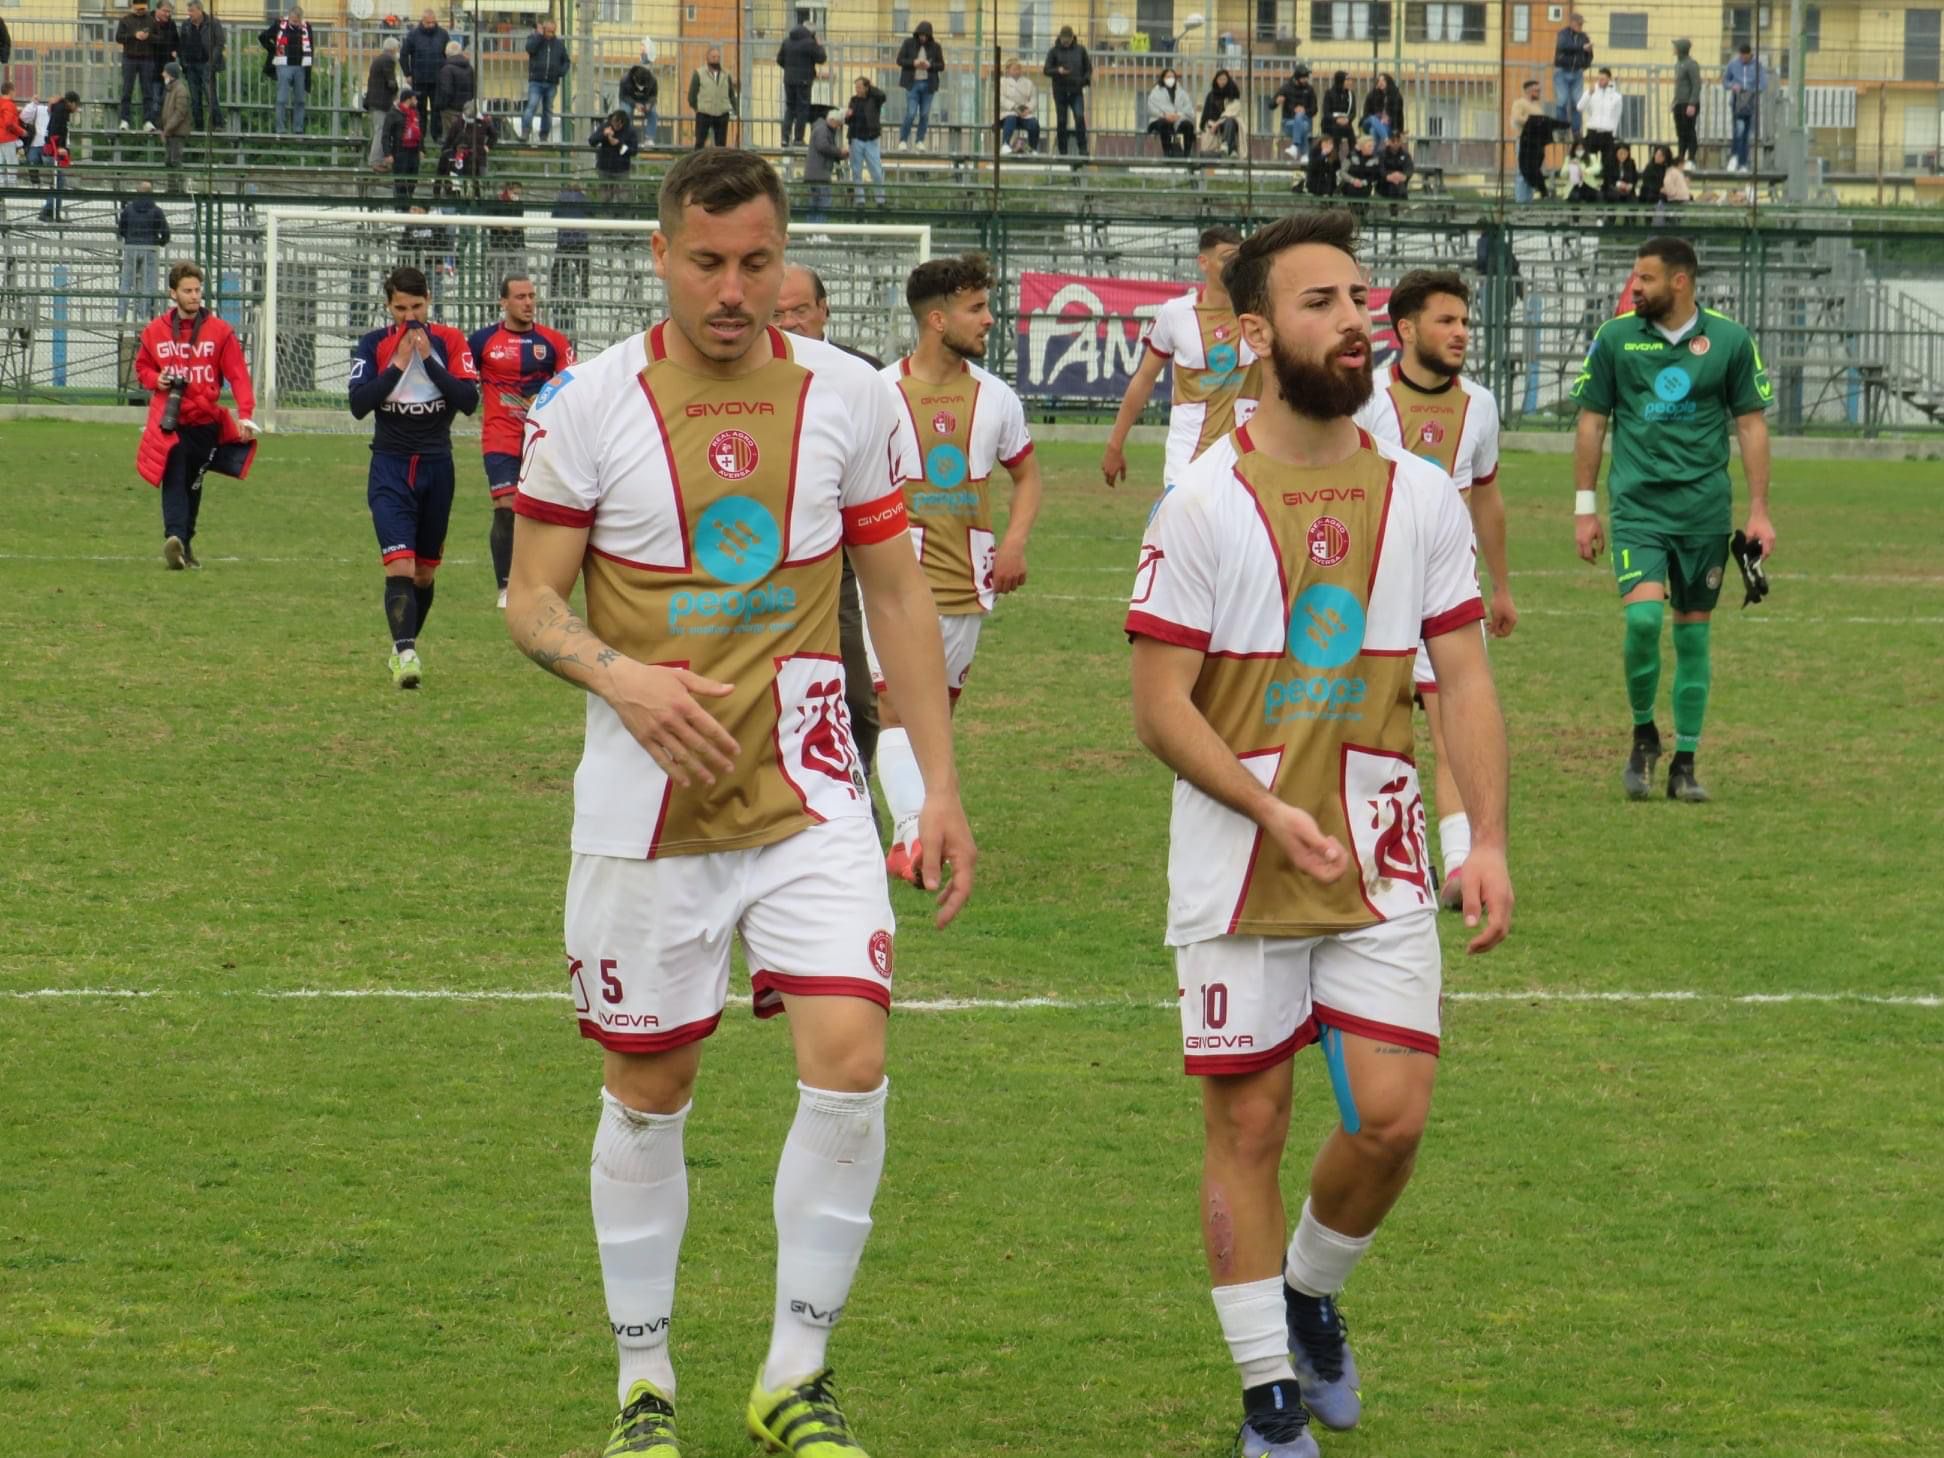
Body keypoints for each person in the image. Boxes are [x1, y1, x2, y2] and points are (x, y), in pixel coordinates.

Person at [505, 145, 974, 1458]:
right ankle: (644, 1386)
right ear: (661, 256)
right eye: (707, 263)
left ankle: (793, 1374)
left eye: (758, 262)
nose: (733, 288)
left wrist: (933, 785)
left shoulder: (848, 396)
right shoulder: (588, 404)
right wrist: (623, 679)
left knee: (853, 1060)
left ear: (785, 255)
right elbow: (530, 599)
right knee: (651, 1087)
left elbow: (896, 596)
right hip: (644, 806)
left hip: (811, 782)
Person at [1125, 208, 1512, 1458]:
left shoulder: (1421, 496)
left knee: (1392, 1119)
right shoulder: (1200, 504)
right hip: (1239, 864)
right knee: (1249, 1125)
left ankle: (1308, 1290)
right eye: (1320, 301)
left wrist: (1485, 841)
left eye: (1361, 297)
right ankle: (1266, 1400)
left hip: (1384, 850)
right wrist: (1266, 809)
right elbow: (1156, 709)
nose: (1356, 319)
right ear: (1253, 334)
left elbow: (1466, 675)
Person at [1570, 236, 1775, 802]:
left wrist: (1758, 511)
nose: (1635, 288)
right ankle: (1643, 736)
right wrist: (1585, 509)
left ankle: (1685, 761)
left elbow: (1752, 426)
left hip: (1704, 512)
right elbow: (1592, 423)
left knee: (1693, 638)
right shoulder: (1614, 339)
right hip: (1637, 508)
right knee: (1641, 625)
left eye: (1646, 279)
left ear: (1679, 282)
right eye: (1635, 278)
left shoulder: (1730, 341)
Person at [872, 252, 1039, 882]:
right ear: (937, 320)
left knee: (934, 719)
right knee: (894, 710)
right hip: (893, 582)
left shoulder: (997, 398)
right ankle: (911, 839)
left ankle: (916, 824)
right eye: (977, 308)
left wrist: (1015, 544)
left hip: (967, 583)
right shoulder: (880, 394)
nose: (990, 319)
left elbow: (1025, 475)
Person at [1352, 269, 1513, 906]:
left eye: (1465, 322)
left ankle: (1456, 865)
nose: (1461, 333)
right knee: (1363, 726)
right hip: (1374, 593)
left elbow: (1489, 498)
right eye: (1446, 321)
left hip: (1448, 591)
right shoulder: (1366, 400)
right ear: (1407, 329)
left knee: (1451, 725)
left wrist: (1500, 586)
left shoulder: (1481, 404)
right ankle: (1359, 852)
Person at [771, 261, 886, 795]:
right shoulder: (744, 375)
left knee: (859, 697)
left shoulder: (865, 377)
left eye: (800, 310)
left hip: (836, 561)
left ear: (824, 310)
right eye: (779, 313)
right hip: (759, 560)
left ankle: (854, 792)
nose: (791, 323)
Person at [348, 263, 479, 689]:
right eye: (401, 309)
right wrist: (397, 367)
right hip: (390, 464)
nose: (410, 318)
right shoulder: (373, 345)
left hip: (437, 465)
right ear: (388, 306)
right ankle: (406, 653)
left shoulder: (450, 341)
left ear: (429, 303)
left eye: (417, 307)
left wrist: (427, 360)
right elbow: (359, 403)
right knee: (399, 565)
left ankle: (402, 645)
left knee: (424, 574)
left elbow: (468, 400)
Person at [1101, 226, 1259, 500]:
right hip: (1187, 455)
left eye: (1238, 259)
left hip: (1247, 455)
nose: (1233, 266)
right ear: (1203, 262)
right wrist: (1115, 444)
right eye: (1225, 258)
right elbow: (1144, 379)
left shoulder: (1259, 312)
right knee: (1180, 539)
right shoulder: (1176, 313)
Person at [134, 260, 259, 570]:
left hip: (205, 423)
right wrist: (156, 380)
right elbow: (142, 367)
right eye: (187, 291)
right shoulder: (155, 331)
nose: (194, 296)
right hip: (172, 422)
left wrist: (245, 414)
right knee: (174, 476)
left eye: (197, 290)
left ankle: (184, 544)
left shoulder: (220, 331)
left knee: (193, 484)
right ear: (172, 294)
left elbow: (238, 375)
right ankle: (174, 536)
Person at [467, 274, 572, 608]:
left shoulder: (554, 342)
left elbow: (572, 384)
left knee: (540, 514)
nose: (528, 303)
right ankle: (505, 586)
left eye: (531, 296)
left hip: (541, 440)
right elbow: (462, 378)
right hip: (499, 437)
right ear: (503, 302)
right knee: (506, 507)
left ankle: (539, 580)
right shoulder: (483, 342)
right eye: (520, 297)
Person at [117, 181, 171, 320]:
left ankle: (121, 315)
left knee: (126, 283)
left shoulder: (128, 209)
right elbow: (165, 232)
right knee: (148, 284)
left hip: (131, 247)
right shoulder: (156, 210)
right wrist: (160, 242)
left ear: (137, 191)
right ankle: (144, 315)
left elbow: (121, 229)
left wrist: (129, 238)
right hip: (150, 248)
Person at [260, 6, 312, 135]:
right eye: (293, 21)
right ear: (289, 18)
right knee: (281, 99)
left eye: (298, 21)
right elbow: (263, 37)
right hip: (283, 65)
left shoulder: (307, 28)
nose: (296, 24)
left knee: (300, 99)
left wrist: (309, 67)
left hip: (301, 66)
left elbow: (312, 47)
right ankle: (280, 128)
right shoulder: (280, 25)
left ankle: (298, 129)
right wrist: (273, 50)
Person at [776, 10, 824, 148]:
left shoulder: (787, 41)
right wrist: (818, 44)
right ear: (812, 33)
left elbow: (779, 60)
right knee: (802, 109)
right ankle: (798, 139)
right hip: (804, 80)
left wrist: (790, 69)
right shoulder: (810, 42)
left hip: (789, 79)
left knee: (790, 108)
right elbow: (822, 58)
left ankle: (785, 138)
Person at [1044, 24, 1091, 157]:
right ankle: (1062, 151)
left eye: (1067, 40)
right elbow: (1046, 70)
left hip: (1076, 90)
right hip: (1060, 91)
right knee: (1062, 120)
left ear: (1072, 38)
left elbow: (1088, 68)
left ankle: (1082, 148)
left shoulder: (1081, 50)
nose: (1065, 42)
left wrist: (1085, 80)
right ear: (1060, 38)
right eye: (1063, 40)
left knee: (1080, 117)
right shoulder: (1053, 52)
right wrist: (1057, 71)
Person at [896, 20, 943, 151]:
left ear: (929, 35)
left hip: (928, 85)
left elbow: (941, 65)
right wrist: (913, 63)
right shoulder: (908, 43)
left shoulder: (936, 47)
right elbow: (899, 60)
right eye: (920, 35)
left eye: (925, 35)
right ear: (917, 34)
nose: (922, 37)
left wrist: (930, 65)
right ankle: (903, 140)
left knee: (924, 114)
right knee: (911, 113)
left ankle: (920, 140)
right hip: (912, 84)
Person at [178, 0, 225, 132]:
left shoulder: (213, 23)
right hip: (191, 66)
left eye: (192, 11)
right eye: (189, 11)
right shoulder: (186, 25)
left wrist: (211, 63)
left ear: (199, 11)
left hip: (207, 64)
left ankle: (218, 124)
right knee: (195, 99)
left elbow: (219, 44)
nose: (189, 14)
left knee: (210, 96)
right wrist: (184, 64)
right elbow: (182, 45)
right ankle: (199, 127)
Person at [401, 9, 450, 136]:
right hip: (419, 79)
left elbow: (449, 55)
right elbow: (403, 55)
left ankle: (436, 136)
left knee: (437, 109)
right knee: (419, 110)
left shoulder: (443, 34)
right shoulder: (413, 35)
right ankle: (420, 138)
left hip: (437, 79)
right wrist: (408, 74)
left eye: (433, 22)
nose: (431, 25)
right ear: (422, 21)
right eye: (428, 23)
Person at [116, 0, 161, 132]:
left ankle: (148, 120)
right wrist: (134, 35)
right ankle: (124, 120)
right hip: (129, 58)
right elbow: (118, 37)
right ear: (133, 7)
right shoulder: (125, 20)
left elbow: (159, 38)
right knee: (126, 90)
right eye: (138, 8)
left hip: (147, 59)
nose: (141, 11)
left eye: (143, 9)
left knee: (148, 91)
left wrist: (149, 37)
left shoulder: (152, 21)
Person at [523, 18, 570, 143]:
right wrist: (538, 36)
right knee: (531, 106)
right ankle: (526, 131)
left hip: (551, 83)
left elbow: (566, 61)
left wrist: (560, 72)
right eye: (548, 31)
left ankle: (544, 135)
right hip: (536, 81)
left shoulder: (559, 45)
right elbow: (529, 49)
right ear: (543, 30)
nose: (551, 34)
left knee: (548, 110)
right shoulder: (534, 39)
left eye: (553, 32)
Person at [438, 98, 497, 196]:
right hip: (461, 160)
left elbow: (493, 135)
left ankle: (479, 200)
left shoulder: (483, 122)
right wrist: (446, 154)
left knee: (480, 185)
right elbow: (449, 140)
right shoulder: (458, 123)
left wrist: (488, 146)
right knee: (457, 185)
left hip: (479, 159)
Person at [844, 76, 887, 202]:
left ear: (866, 88)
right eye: (856, 87)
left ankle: (880, 199)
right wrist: (848, 116)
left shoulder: (874, 99)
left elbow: (883, 96)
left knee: (876, 171)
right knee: (856, 171)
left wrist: (871, 87)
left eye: (859, 87)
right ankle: (860, 200)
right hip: (856, 138)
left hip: (871, 139)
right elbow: (848, 120)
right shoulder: (853, 100)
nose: (857, 90)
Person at [1724, 44, 1764, 172]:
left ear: (1749, 55)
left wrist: (1752, 90)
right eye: (1740, 56)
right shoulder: (1733, 64)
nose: (1742, 58)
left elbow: (1763, 83)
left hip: (1751, 103)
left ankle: (1743, 163)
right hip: (1737, 102)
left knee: (1746, 134)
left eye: (1744, 56)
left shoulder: (1757, 65)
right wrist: (1733, 86)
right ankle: (1735, 158)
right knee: (1739, 130)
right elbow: (1725, 82)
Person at [689, 45, 738, 149]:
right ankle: (699, 164)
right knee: (700, 143)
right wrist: (696, 108)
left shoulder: (726, 74)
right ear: (707, 58)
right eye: (713, 57)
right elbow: (692, 94)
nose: (715, 59)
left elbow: (731, 95)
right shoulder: (699, 73)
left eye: (717, 57)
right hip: (704, 113)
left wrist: (736, 111)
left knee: (721, 145)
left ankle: (719, 164)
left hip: (722, 113)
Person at [381, 89, 424, 205]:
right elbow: (386, 135)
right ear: (408, 99)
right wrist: (387, 153)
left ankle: (409, 202)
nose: (417, 100)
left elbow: (419, 132)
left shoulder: (416, 113)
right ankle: (400, 205)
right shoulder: (393, 114)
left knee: (413, 180)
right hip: (400, 151)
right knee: (400, 181)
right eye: (415, 98)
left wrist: (421, 149)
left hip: (414, 151)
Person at [1511, 77, 1552, 201]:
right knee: (1522, 173)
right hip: (1525, 142)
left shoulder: (1537, 106)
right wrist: (1534, 123)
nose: (1539, 93)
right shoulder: (1519, 103)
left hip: (1536, 144)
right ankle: (1521, 203)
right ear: (1529, 91)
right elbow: (1517, 118)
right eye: (1536, 91)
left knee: (1532, 173)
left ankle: (1528, 202)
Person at [1553, 10, 1592, 137]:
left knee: (1577, 103)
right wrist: (1582, 48)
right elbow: (1564, 46)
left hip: (1577, 73)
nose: (1581, 26)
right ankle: (1562, 130)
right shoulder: (1563, 34)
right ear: (1572, 23)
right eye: (1579, 24)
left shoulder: (1584, 37)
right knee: (1562, 101)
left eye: (1582, 24)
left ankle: (1576, 131)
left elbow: (1589, 54)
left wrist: (1585, 64)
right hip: (1562, 71)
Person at [803, 104, 845, 218]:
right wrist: (839, 152)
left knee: (814, 205)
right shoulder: (823, 129)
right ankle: (819, 233)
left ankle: (812, 234)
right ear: (832, 120)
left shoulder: (821, 128)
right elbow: (823, 147)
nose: (837, 127)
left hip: (814, 174)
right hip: (820, 175)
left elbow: (827, 150)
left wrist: (841, 155)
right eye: (837, 124)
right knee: (823, 204)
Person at [589, 108, 640, 201]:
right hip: (604, 168)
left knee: (624, 198)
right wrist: (604, 134)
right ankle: (607, 215)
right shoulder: (605, 126)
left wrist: (618, 145)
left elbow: (633, 151)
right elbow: (592, 141)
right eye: (613, 123)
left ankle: (622, 215)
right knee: (604, 198)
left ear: (622, 123)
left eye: (618, 125)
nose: (615, 126)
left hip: (622, 169)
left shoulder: (630, 132)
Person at [365, 37, 401, 167]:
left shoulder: (379, 59)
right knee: (380, 131)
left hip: (374, 101)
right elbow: (390, 82)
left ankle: (375, 158)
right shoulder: (388, 60)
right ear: (393, 49)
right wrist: (396, 91)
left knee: (378, 130)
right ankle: (375, 161)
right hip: (381, 102)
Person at [1146, 67, 1194, 158]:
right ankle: (1168, 152)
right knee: (1165, 124)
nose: (1170, 79)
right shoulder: (1155, 92)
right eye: (1168, 77)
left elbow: (1188, 108)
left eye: (1172, 77)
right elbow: (1151, 108)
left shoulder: (1182, 92)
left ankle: (1186, 154)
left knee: (1188, 125)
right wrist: (1164, 115)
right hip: (1159, 119)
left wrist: (1178, 115)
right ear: (1163, 78)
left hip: (1178, 119)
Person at [1582, 67, 1622, 176]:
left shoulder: (1616, 96)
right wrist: (1588, 94)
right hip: (1592, 132)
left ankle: (1606, 188)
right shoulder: (1592, 92)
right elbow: (1580, 107)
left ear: (1609, 79)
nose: (1600, 81)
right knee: (1589, 163)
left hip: (1607, 134)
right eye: (1598, 79)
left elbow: (1616, 116)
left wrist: (1613, 133)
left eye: (1603, 79)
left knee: (1608, 165)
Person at [158, 60, 191, 189]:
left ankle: (180, 188)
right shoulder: (170, 90)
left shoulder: (180, 90)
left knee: (175, 160)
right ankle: (172, 188)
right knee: (169, 161)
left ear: (171, 74)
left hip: (177, 133)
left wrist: (166, 130)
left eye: (165, 72)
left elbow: (179, 113)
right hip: (170, 132)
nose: (162, 74)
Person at [432, 40, 473, 142]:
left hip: (450, 109)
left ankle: (451, 156)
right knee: (463, 136)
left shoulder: (447, 69)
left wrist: (441, 105)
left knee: (451, 136)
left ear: (446, 53)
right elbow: (473, 87)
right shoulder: (469, 67)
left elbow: (446, 91)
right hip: (465, 108)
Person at [619, 43, 659, 146]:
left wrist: (649, 104)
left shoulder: (653, 80)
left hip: (645, 100)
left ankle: (649, 138)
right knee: (625, 112)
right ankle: (626, 137)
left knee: (653, 113)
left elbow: (654, 96)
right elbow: (623, 96)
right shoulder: (625, 80)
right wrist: (635, 104)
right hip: (629, 99)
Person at [1670, 38, 1701, 166]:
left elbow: (1696, 84)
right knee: (1680, 132)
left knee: (1689, 131)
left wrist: (1692, 103)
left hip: (1688, 104)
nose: (1673, 49)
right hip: (1679, 103)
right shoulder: (1678, 64)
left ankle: (1692, 158)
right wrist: (1674, 102)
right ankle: (1681, 157)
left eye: (1675, 47)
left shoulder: (1691, 64)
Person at [1275, 63, 1315, 160]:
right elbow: (1271, 104)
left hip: (1306, 121)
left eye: (1307, 77)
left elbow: (1315, 109)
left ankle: (1295, 146)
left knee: (1301, 118)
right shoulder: (1286, 88)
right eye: (1303, 78)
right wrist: (1277, 101)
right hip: (1288, 123)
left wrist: (1304, 110)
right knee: (1302, 125)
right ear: (1297, 78)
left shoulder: (1309, 89)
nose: (1306, 79)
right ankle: (1305, 155)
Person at [999, 57, 1038, 153]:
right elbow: (1000, 98)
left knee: (1034, 124)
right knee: (1011, 119)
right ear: (1008, 70)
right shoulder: (1002, 82)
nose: (1017, 71)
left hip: (1024, 113)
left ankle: (1032, 148)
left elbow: (1033, 98)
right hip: (1008, 112)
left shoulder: (1028, 83)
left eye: (1019, 69)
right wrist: (1014, 107)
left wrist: (1028, 109)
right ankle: (1005, 144)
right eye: (1014, 69)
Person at [1200, 69, 1241, 157]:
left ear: (1228, 80)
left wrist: (1217, 124)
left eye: (1224, 79)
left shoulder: (1233, 94)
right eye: (1219, 79)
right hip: (1213, 125)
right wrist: (1209, 122)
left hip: (1229, 124)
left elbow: (1230, 112)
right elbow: (1206, 113)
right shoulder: (1211, 95)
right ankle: (1232, 150)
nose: (1222, 81)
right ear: (1216, 80)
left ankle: (1225, 145)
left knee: (1229, 121)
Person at [1361, 72, 1401, 143]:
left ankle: (1373, 153)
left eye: (1383, 80)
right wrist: (1379, 117)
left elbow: (1398, 115)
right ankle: (1386, 139)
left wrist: (1397, 129)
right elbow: (1366, 114)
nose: (1381, 83)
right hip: (1368, 122)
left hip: (1385, 125)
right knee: (1373, 118)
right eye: (1379, 81)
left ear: (1389, 82)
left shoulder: (1396, 96)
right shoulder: (1372, 94)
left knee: (1373, 130)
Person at [1319, 69, 1355, 149]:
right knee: (1337, 129)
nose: (1350, 82)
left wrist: (1348, 119)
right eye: (1347, 80)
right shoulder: (1329, 93)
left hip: (1345, 122)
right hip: (1330, 122)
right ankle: (1334, 154)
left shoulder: (1350, 94)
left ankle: (1353, 155)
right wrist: (1336, 119)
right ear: (1340, 80)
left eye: (1350, 79)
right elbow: (1326, 112)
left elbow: (1353, 112)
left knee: (1351, 133)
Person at [1340, 133, 1380, 200]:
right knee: (1352, 190)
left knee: (1363, 192)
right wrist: (1353, 180)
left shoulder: (1375, 159)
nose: (1372, 148)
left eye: (1373, 146)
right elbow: (1342, 172)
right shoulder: (1351, 155)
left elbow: (1376, 175)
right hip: (1350, 184)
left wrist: (1364, 182)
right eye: (1369, 146)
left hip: (1366, 185)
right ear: (1362, 146)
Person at [1375, 132, 1413, 199]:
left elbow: (1409, 169)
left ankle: (1398, 206)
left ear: (1401, 142)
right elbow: (1380, 169)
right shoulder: (1381, 154)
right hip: (1384, 184)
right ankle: (1401, 205)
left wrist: (1403, 176)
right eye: (1393, 141)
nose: (1395, 143)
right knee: (1395, 186)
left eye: (1398, 141)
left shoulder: (1406, 155)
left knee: (1398, 185)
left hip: (1400, 183)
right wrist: (1389, 176)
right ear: (1389, 141)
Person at [0, 82, 24, 188]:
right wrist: (21, 131)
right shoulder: (9, 104)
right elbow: (9, 123)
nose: (15, 93)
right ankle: (11, 189)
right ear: (10, 91)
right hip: (8, 138)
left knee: (1, 164)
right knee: (11, 164)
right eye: (14, 90)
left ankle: (1, 189)